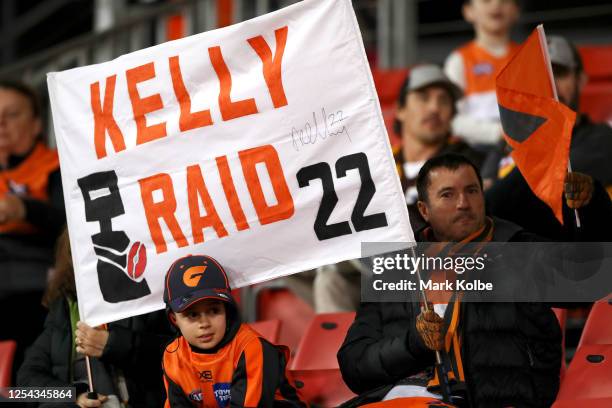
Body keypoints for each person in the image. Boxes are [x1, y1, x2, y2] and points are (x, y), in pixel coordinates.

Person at [337, 154, 609, 407]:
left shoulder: (515, 250)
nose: (463, 203)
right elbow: (355, 365)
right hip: (401, 397)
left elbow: (590, 281)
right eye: (447, 194)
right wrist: (414, 344)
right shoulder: (395, 268)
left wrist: (592, 207)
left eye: (471, 191)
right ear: (424, 209)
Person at [17, 229, 172, 408]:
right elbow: (24, 387)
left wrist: (114, 343)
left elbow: (184, 355)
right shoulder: (64, 310)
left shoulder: (147, 298)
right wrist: (74, 396)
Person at [162, 254, 305, 407]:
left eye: (213, 311)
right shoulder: (172, 356)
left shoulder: (251, 348)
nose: (204, 323)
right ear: (174, 319)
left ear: (227, 310)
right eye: (192, 315)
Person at [0, 80, 66, 377]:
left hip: (35, 285)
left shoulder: (55, 165)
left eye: (11, 114)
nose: (1, 124)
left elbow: (71, 222)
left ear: (37, 124)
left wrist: (24, 208)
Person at [392, 64, 484, 230]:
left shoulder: (474, 165)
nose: (434, 108)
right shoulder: (377, 165)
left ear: (452, 115)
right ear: (400, 109)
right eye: (423, 97)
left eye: (443, 100)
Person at [444, 0, 520, 147]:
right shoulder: (458, 60)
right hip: (474, 151)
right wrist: (498, 133)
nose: (496, 4)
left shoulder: (530, 56)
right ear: (468, 11)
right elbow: (451, 119)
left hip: (524, 150)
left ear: (516, 10)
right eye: (486, 0)